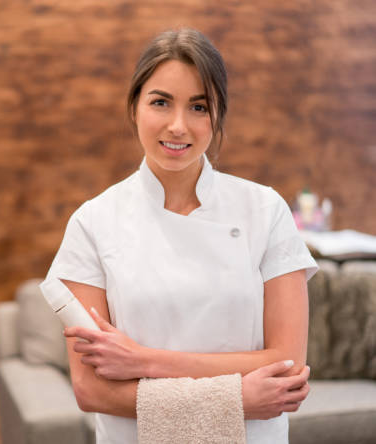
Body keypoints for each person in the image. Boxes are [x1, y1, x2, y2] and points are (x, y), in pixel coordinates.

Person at [40, 28, 318, 444]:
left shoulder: (265, 211)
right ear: (134, 106)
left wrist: (143, 360)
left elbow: (287, 362)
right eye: (160, 102)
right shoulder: (92, 223)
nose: (177, 126)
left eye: (199, 107)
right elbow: (91, 389)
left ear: (219, 115)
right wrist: (236, 397)